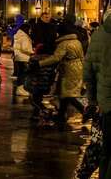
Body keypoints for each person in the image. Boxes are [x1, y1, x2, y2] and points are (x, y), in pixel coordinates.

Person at [36, 22, 86, 126]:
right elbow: (82, 56)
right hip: (78, 68)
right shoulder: (77, 41)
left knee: (67, 94)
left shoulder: (64, 44)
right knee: (64, 93)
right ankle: (61, 115)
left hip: (69, 69)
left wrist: (40, 63)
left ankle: (84, 110)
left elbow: (56, 57)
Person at [84, 12, 111, 177]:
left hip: (106, 104)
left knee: (107, 151)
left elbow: (88, 73)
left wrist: (93, 100)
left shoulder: (99, 35)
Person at [13, 23, 34, 96]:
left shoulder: (18, 35)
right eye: (30, 29)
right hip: (24, 57)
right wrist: (32, 52)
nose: (30, 30)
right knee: (23, 74)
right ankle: (21, 89)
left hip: (19, 57)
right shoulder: (24, 36)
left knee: (21, 73)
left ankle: (20, 88)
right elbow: (25, 48)